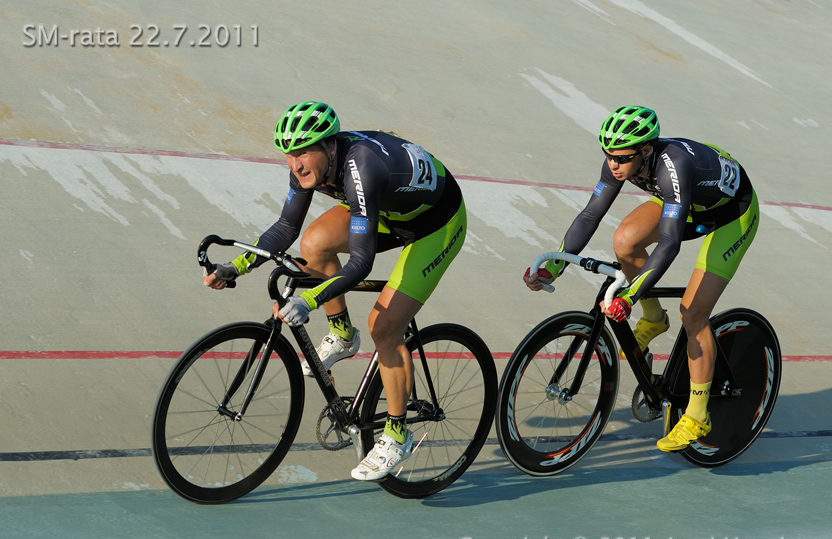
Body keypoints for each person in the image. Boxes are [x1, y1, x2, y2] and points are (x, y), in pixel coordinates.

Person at [203, 101, 467, 480]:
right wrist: (236, 266)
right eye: (289, 154)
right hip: (385, 209)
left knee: (384, 327)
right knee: (313, 244)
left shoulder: (362, 169)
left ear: (329, 147)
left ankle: (396, 434)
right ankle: (342, 334)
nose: (296, 164)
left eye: (304, 152)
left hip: (436, 224)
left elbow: (362, 263)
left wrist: (309, 300)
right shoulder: (309, 166)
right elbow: (285, 229)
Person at [524, 105, 759, 452]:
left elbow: (669, 244)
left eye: (622, 158)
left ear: (646, 150)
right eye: (608, 156)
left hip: (731, 216)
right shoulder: (622, 160)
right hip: (689, 202)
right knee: (625, 240)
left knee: (693, 312)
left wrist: (628, 297)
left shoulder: (673, 167)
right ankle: (653, 319)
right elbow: (590, 214)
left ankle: (696, 415)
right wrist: (554, 265)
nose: (613, 164)